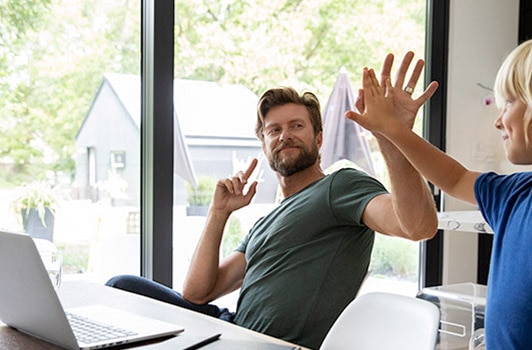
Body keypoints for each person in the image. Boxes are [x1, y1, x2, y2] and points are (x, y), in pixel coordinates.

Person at [107, 81, 438, 349]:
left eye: (297, 126)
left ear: (318, 138)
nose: (285, 135)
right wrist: (218, 212)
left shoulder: (341, 185)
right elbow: (196, 293)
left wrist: (396, 137)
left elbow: (417, 226)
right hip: (231, 330)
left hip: (269, 345)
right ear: (264, 144)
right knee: (121, 287)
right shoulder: (264, 224)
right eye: (274, 130)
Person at [347, 27, 532, 349]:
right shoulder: (517, 193)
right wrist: (394, 130)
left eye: (510, 103)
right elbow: (454, 178)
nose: (498, 121)